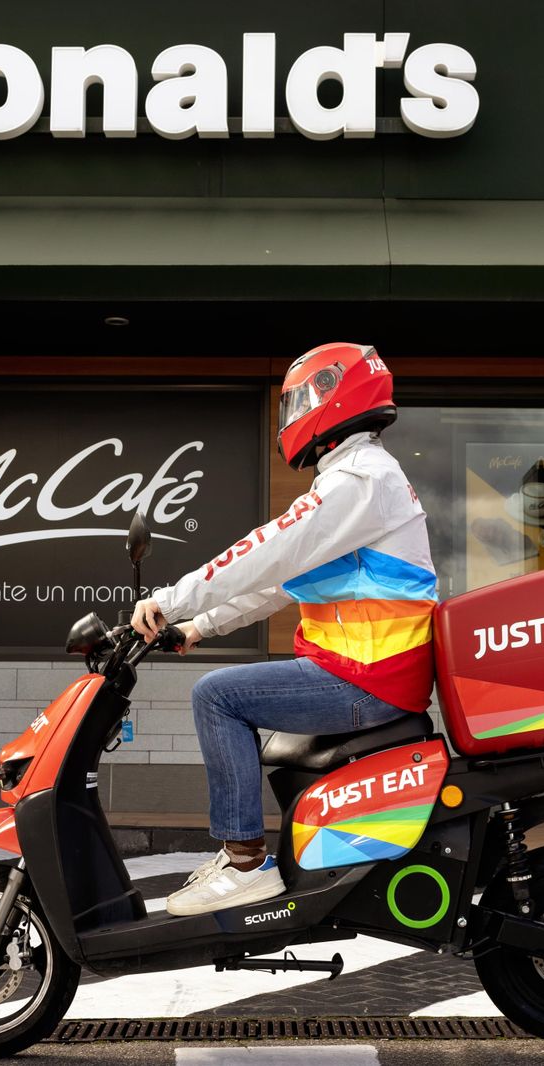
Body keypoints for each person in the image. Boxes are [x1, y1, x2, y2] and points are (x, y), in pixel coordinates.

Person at [130, 342, 438, 916]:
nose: (295, 413)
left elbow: (266, 551)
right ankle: (247, 855)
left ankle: (245, 863)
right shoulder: (358, 480)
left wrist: (169, 602)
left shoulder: (359, 481)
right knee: (224, 694)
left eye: (304, 397)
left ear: (336, 395)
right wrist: (198, 626)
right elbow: (281, 581)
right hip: (362, 673)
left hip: (366, 678)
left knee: (217, 698)